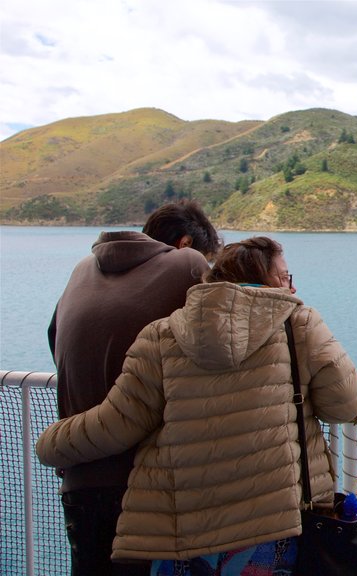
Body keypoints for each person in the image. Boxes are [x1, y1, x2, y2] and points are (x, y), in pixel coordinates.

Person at [36, 236, 357, 575]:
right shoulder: (298, 324)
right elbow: (344, 404)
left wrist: (48, 445)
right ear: (269, 280)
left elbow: (117, 423)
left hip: (181, 542)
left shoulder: (161, 335)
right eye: (285, 278)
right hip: (273, 532)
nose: (291, 289)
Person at [46, 199, 222, 576]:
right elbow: (219, 345)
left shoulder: (81, 269)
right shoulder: (186, 264)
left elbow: (53, 335)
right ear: (186, 243)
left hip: (79, 478)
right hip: (146, 489)